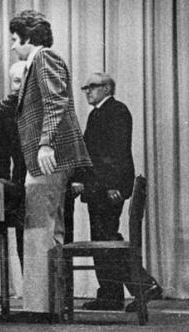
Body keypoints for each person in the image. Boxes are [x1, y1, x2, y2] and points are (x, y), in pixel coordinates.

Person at [0, 10, 91, 317]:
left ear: (28, 38)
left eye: (14, 39)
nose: (12, 46)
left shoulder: (44, 59)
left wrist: (46, 143)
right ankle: (53, 304)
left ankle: (39, 308)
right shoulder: (34, 65)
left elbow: (56, 102)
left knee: (38, 229)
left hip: (49, 159)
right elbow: (8, 105)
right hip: (53, 159)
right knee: (50, 230)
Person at [71, 72, 162, 312]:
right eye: (85, 87)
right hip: (99, 188)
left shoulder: (117, 110)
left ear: (107, 89)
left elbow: (118, 152)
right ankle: (110, 295)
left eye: (92, 86)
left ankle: (145, 285)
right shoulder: (96, 114)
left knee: (107, 240)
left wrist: (113, 186)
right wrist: (82, 180)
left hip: (109, 188)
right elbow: (90, 154)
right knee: (104, 240)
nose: (87, 91)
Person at [0, 61, 27, 269]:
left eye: (20, 81)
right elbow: (1, 155)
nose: (16, 87)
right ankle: (33, 295)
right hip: (20, 183)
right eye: (14, 82)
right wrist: (4, 188)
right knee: (23, 238)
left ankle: (61, 300)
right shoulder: (5, 111)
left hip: (50, 182)